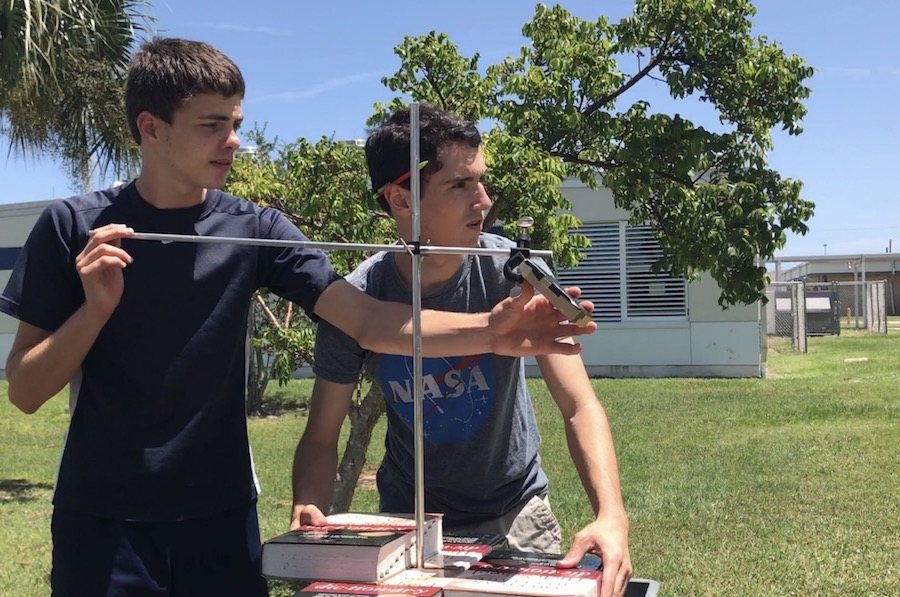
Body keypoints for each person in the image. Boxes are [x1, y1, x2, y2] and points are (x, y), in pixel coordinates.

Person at [0, 40, 597, 597]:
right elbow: (25, 389)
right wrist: (95, 310)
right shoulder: (73, 227)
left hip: (221, 515)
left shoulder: (256, 230)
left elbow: (364, 319)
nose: (233, 140)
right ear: (150, 128)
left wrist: (492, 331)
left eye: (235, 123)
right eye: (212, 125)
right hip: (102, 521)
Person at [290, 104, 633, 597]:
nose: (485, 201)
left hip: (516, 513)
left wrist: (611, 514)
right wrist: (308, 508)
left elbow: (580, 404)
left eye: (482, 181)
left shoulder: (516, 276)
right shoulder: (356, 299)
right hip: (408, 524)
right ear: (401, 197)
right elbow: (322, 436)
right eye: (460, 185)